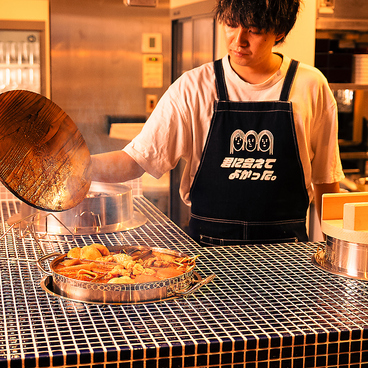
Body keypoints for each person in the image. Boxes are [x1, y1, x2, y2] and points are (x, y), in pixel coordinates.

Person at [91, 0, 344, 246]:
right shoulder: (193, 88)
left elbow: (326, 184)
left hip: (288, 259)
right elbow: (135, 160)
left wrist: (337, 258)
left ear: (279, 30)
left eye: (253, 30)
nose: (238, 40)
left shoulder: (310, 86)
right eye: (232, 24)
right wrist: (75, 166)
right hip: (209, 257)